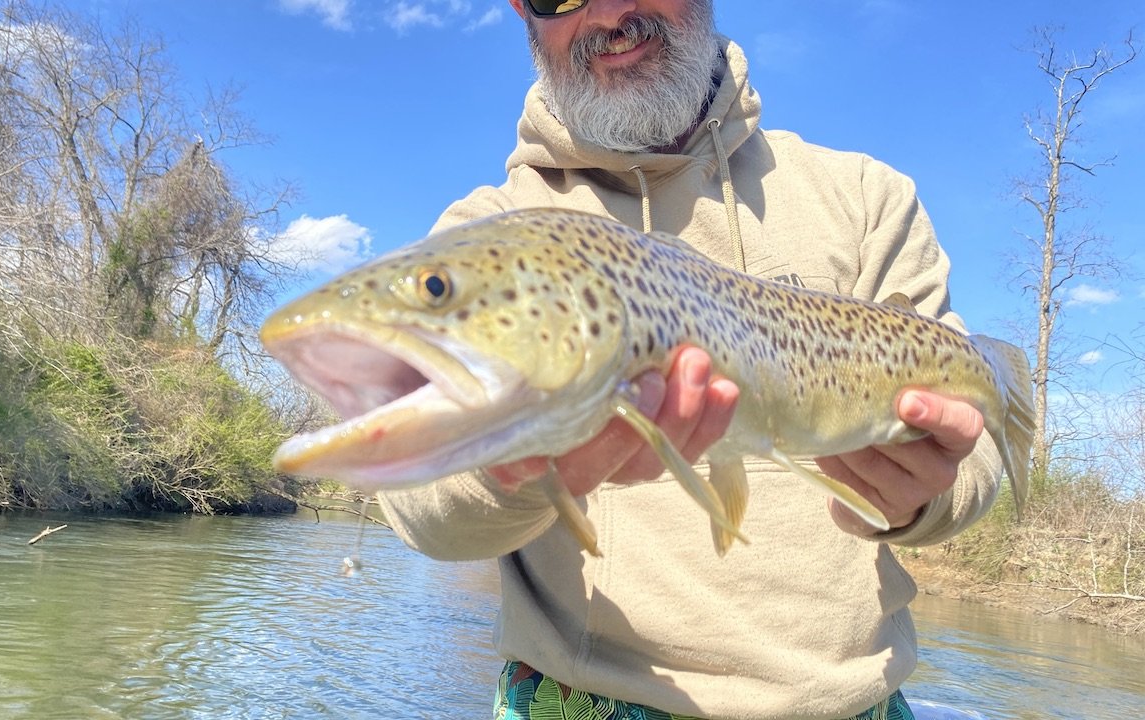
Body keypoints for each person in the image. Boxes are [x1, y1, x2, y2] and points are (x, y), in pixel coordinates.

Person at [377, 1, 1003, 718]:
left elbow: (976, 447)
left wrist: (924, 492)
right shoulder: (486, 236)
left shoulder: (865, 198)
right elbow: (417, 504)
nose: (610, 11)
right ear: (523, 12)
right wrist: (498, 462)